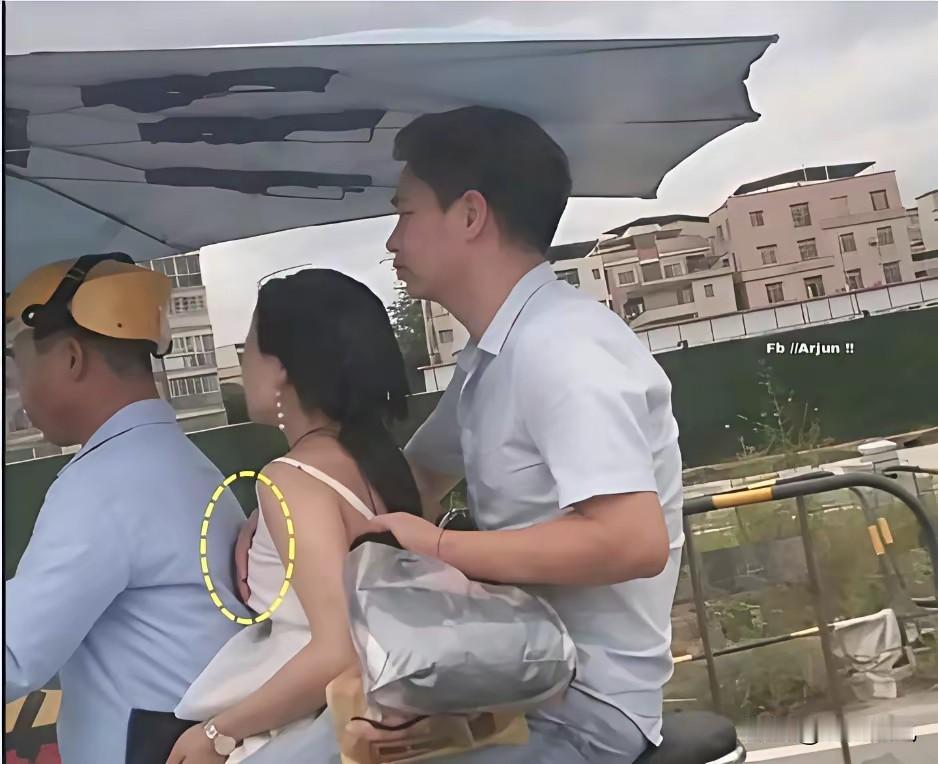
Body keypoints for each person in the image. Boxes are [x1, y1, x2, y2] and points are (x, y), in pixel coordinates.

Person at [348, 105, 685, 764]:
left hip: (583, 709)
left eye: (406, 213)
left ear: (471, 215)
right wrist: (291, 515)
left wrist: (441, 546)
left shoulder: (561, 349)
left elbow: (630, 539)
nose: (392, 241)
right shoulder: (495, 354)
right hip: (516, 676)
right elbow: (414, 479)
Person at [166, 268, 425, 763]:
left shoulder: (291, 478)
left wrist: (217, 734)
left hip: (311, 736)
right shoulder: (386, 466)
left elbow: (336, 650)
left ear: (282, 366)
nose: (243, 363)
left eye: (248, 347)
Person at [3, 254, 245, 764]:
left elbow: (14, 654)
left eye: (18, 364)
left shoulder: (102, 483)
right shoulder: (179, 461)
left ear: (71, 358)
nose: (18, 392)